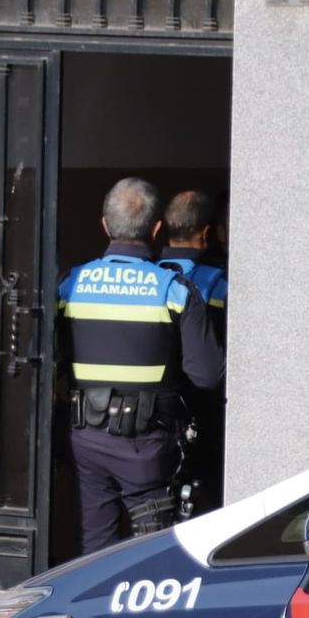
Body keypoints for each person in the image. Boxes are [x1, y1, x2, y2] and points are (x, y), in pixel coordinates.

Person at [58, 178, 224, 554]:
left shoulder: (71, 283)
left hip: (86, 437)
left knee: (94, 548)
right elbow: (207, 374)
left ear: (104, 225)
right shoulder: (174, 289)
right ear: (155, 228)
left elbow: (53, 357)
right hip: (147, 444)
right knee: (149, 554)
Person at [159, 190, 229, 511]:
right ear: (207, 233)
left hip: (155, 412)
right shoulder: (220, 282)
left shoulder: (150, 276)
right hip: (205, 408)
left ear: (161, 229)